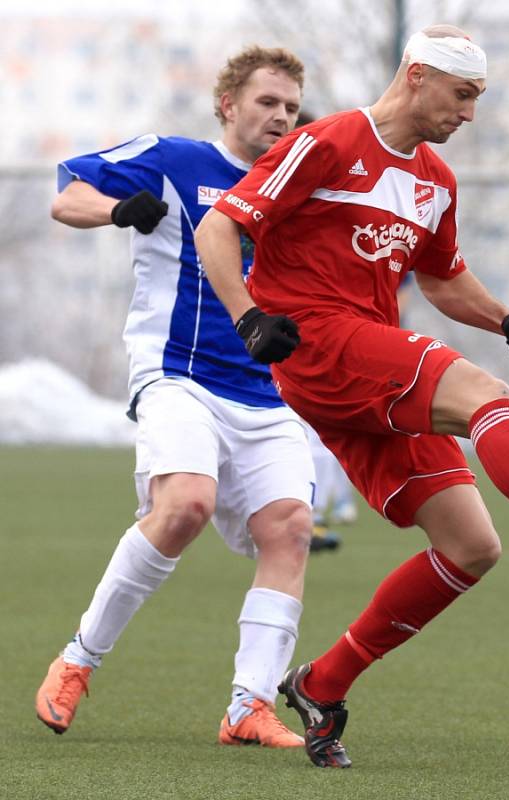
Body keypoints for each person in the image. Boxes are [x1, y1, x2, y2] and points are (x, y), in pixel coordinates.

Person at [194, 26, 509, 767]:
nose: (468, 113)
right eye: (462, 94)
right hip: (318, 344)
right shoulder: (329, 143)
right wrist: (248, 316)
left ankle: (322, 682)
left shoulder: (436, 179)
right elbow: (221, 225)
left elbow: (439, 279)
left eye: (477, 98)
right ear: (416, 77)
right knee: (483, 395)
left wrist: (503, 318)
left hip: (365, 356)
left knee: (471, 547)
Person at [35, 45, 317, 748]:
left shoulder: (298, 189)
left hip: (266, 393)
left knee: (289, 529)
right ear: (228, 104)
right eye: (266, 103)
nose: (280, 117)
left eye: (289, 107)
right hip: (176, 376)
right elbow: (66, 198)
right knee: (184, 504)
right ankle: (77, 660)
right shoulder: (175, 157)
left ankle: (248, 706)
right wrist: (118, 210)